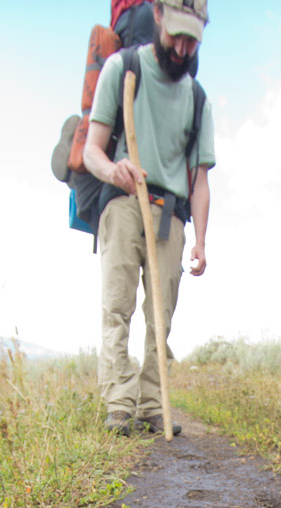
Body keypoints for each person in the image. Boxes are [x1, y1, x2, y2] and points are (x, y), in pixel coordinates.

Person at [84, 0, 215, 437]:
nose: (182, 47)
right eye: (176, 33)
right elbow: (92, 151)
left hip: (170, 213)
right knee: (117, 305)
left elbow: (200, 180)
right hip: (122, 200)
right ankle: (119, 402)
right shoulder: (122, 69)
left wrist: (200, 240)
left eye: (192, 38)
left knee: (162, 314)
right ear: (157, 16)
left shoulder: (198, 99)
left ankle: (154, 404)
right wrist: (111, 170)